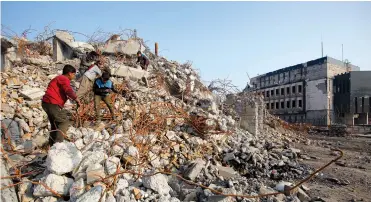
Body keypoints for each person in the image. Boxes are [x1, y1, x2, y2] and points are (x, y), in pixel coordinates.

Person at [42, 65, 81, 146]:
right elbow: (68, 90)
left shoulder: (59, 78)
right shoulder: (64, 79)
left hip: (48, 103)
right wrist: (76, 98)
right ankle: (58, 145)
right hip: (51, 103)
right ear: (70, 73)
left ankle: (51, 144)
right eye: (74, 74)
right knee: (63, 122)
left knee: (55, 124)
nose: (74, 76)